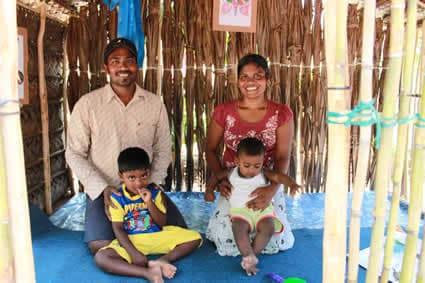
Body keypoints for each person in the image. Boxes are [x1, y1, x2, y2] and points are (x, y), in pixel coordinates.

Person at [65, 37, 186, 256]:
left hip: (142, 187)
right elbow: (74, 153)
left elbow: (163, 149)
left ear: (136, 65)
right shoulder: (88, 104)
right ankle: (135, 243)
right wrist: (102, 189)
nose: (122, 66)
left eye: (129, 61)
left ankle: (129, 244)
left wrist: (152, 184)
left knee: (181, 231)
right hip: (106, 189)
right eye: (115, 61)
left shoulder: (153, 103)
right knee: (98, 244)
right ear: (106, 68)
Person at [205, 53, 296, 256]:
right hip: (234, 184)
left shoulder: (281, 113)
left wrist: (271, 190)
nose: (251, 82)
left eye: (258, 75)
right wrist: (221, 181)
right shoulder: (224, 112)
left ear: (267, 79)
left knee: (275, 239)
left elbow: (283, 156)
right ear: (237, 81)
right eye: (244, 77)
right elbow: (210, 149)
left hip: (267, 183)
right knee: (228, 240)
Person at [94, 147, 202, 282]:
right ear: (121, 176)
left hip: (156, 235)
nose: (138, 183)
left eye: (143, 176)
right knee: (101, 257)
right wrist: (133, 253)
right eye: (131, 178)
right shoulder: (117, 197)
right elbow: (118, 228)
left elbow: (161, 222)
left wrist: (149, 202)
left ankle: (162, 261)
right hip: (132, 240)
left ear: (149, 173)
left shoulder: (155, 193)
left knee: (195, 237)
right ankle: (146, 273)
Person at [205, 137, 300, 275]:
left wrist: (292, 184)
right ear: (237, 161)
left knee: (269, 228)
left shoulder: (264, 173)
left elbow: (279, 177)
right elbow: (215, 177)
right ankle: (248, 255)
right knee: (238, 229)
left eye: (257, 165)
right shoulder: (231, 173)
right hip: (240, 212)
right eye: (246, 165)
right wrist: (209, 191)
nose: (252, 170)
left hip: (262, 210)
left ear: (262, 162)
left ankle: (251, 255)